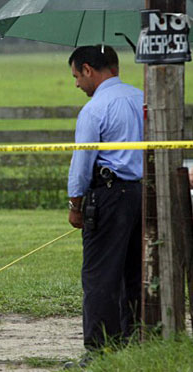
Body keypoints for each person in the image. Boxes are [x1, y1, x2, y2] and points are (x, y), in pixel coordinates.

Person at [66, 46, 143, 366]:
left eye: (76, 77)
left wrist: (75, 202)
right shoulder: (142, 98)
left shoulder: (96, 108)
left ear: (88, 69)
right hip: (144, 194)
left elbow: (82, 160)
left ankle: (100, 350)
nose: (76, 85)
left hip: (108, 195)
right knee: (135, 272)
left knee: (100, 275)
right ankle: (136, 339)